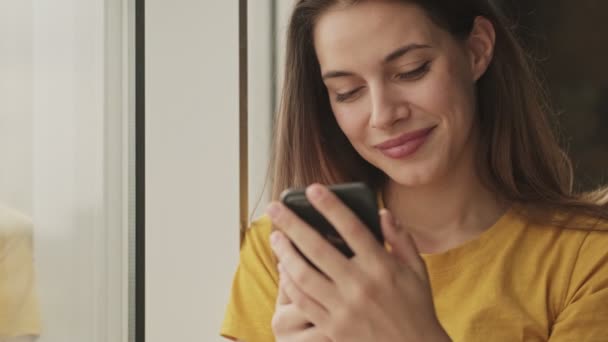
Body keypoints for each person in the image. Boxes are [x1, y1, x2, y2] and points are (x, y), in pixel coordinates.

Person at [221, 0, 608, 341]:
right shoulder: (289, 252)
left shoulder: (588, 261)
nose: (384, 115)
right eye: (348, 92)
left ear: (477, 50)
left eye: (411, 70)